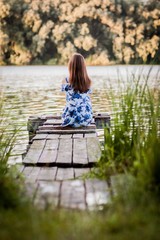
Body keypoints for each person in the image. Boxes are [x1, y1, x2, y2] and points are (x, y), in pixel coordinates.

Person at [61, 53, 93, 127]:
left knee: (68, 105)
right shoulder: (88, 81)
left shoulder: (65, 80)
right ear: (83, 67)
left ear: (70, 66)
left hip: (70, 119)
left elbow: (68, 98)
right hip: (86, 119)